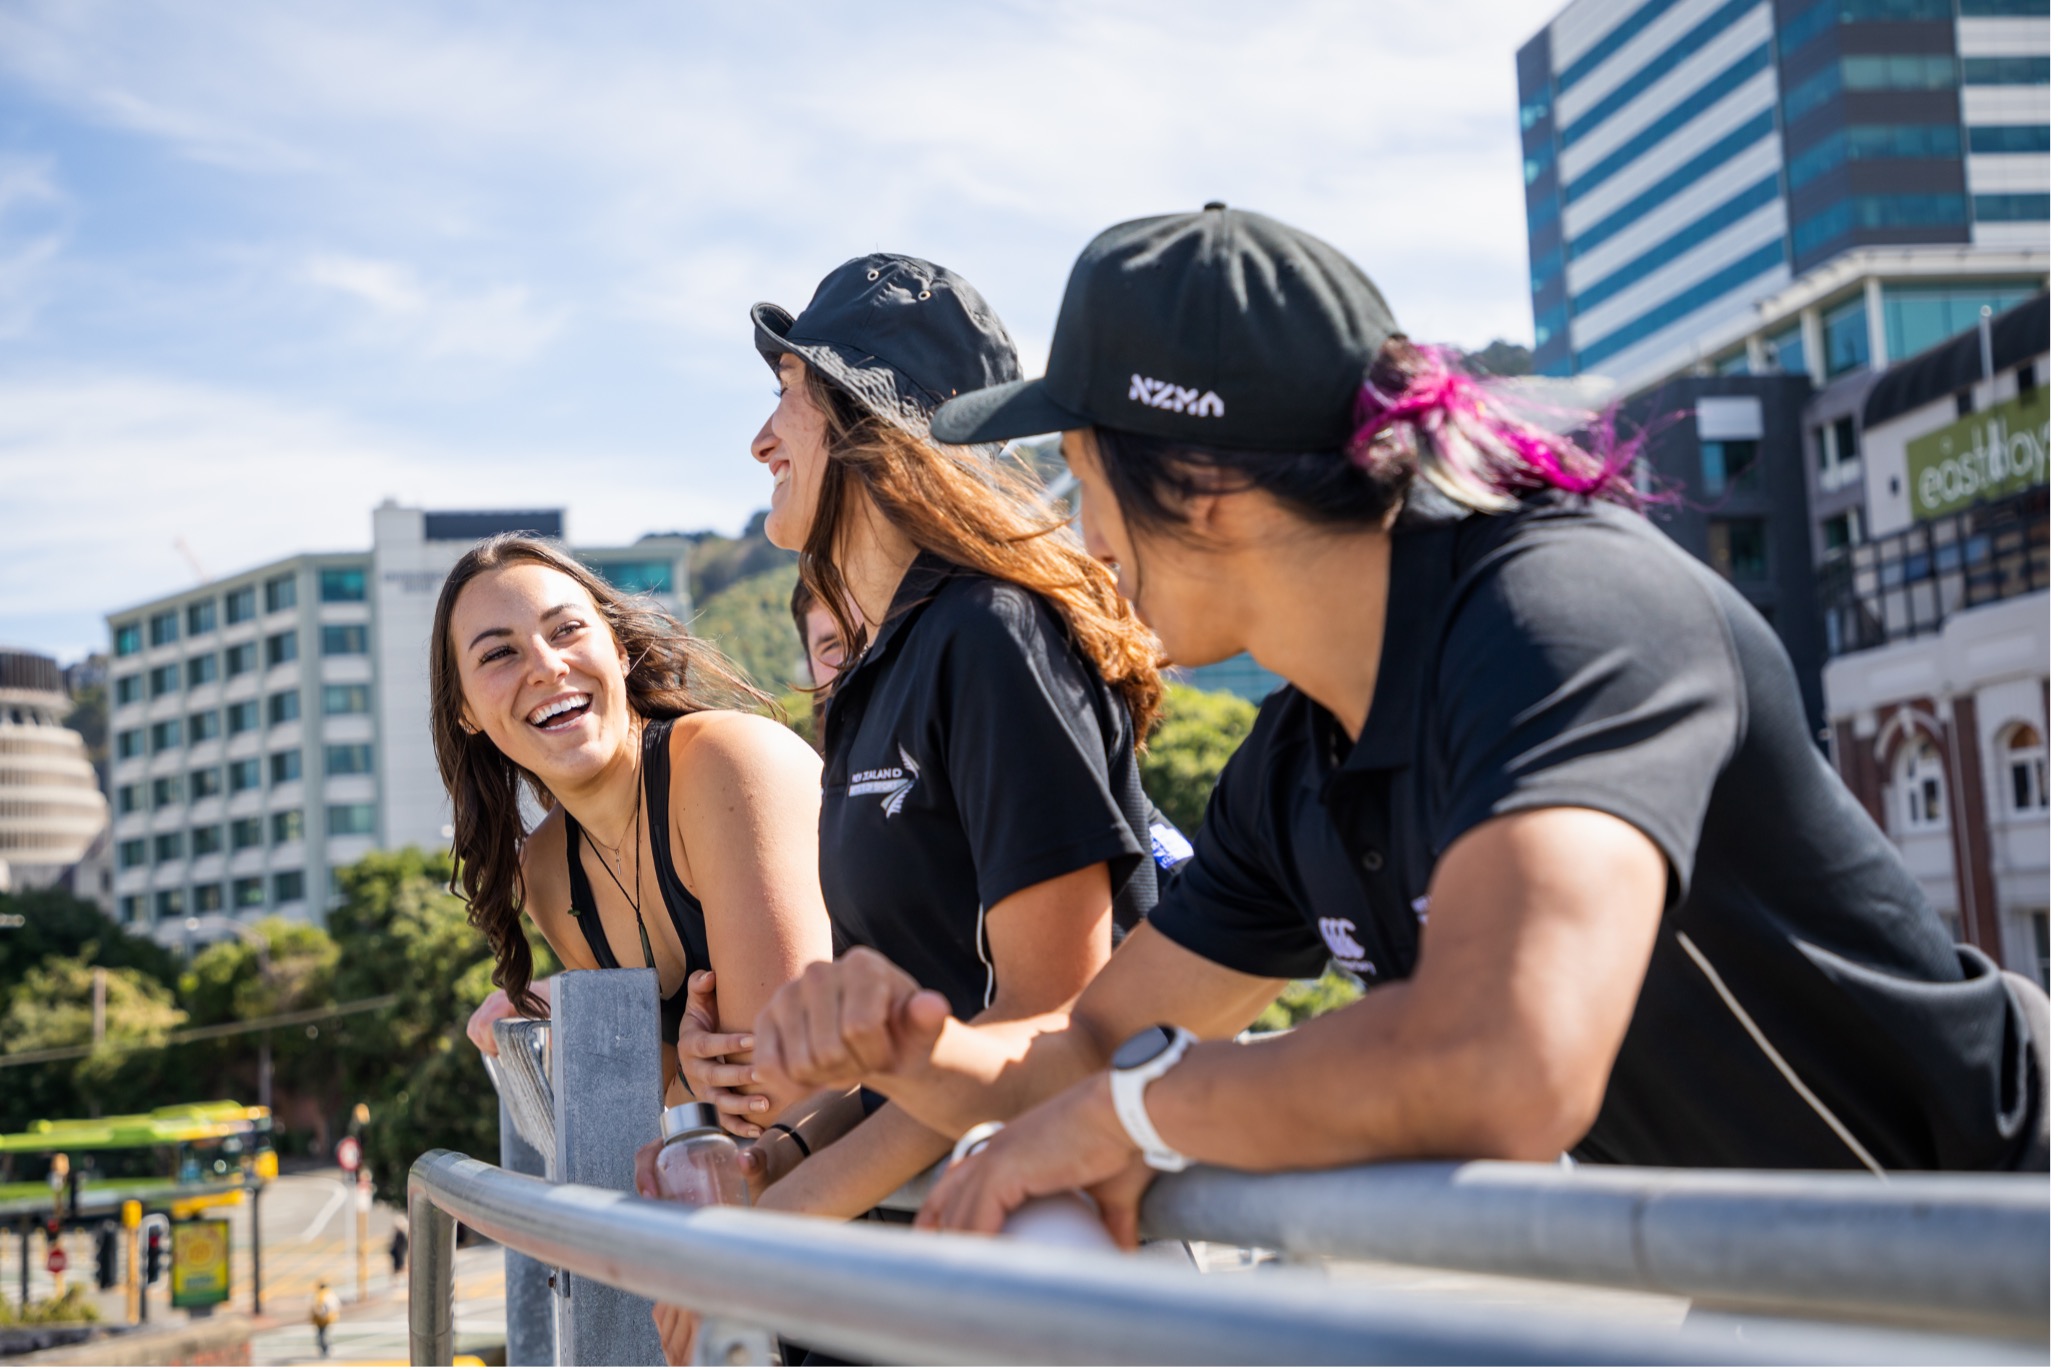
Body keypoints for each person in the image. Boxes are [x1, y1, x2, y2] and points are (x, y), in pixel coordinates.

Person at [744, 204, 2050, 1245]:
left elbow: (1502, 1057)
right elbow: (1091, 1037)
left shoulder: (1564, 619)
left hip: (2003, 1226)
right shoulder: (1296, 757)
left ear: (1197, 485)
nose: (1076, 540)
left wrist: (1143, 1116)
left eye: (1083, 482)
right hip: (1815, 1275)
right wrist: (916, 1047)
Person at [665, 253, 1176, 1226]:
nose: (759, 439)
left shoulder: (994, 633)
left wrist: (783, 1220)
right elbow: (935, 1026)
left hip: (1029, 1232)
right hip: (918, 1227)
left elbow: (1051, 1018)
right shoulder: (874, 673)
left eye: (787, 395)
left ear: (867, 420)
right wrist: (781, 1155)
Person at [441, 535, 834, 1128]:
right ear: (465, 711)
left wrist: (691, 1084)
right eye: (499, 654)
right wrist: (689, 1077)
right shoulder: (549, 873)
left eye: (566, 629)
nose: (547, 667)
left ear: (619, 650)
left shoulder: (730, 766)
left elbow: (777, 1087)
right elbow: (657, 1088)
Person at [310, 1279, 339, 1358]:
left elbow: (318, 1307)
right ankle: (327, 1349)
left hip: (322, 1318)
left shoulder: (320, 1294)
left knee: (322, 1335)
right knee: (326, 1334)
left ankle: (325, 1350)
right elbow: (336, 1305)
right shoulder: (330, 1294)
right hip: (329, 1317)